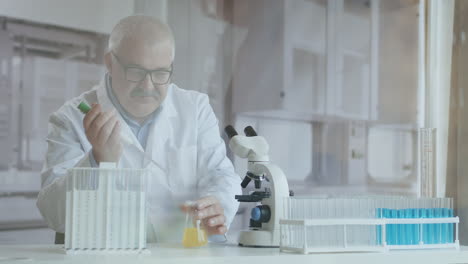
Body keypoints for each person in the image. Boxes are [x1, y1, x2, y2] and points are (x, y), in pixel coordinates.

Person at [36, 15, 241, 242]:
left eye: (161, 73)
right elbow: (54, 214)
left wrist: (218, 203)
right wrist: (98, 161)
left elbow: (222, 175)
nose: (148, 85)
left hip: (180, 253)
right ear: (110, 63)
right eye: (135, 71)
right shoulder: (70, 119)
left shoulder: (195, 109)